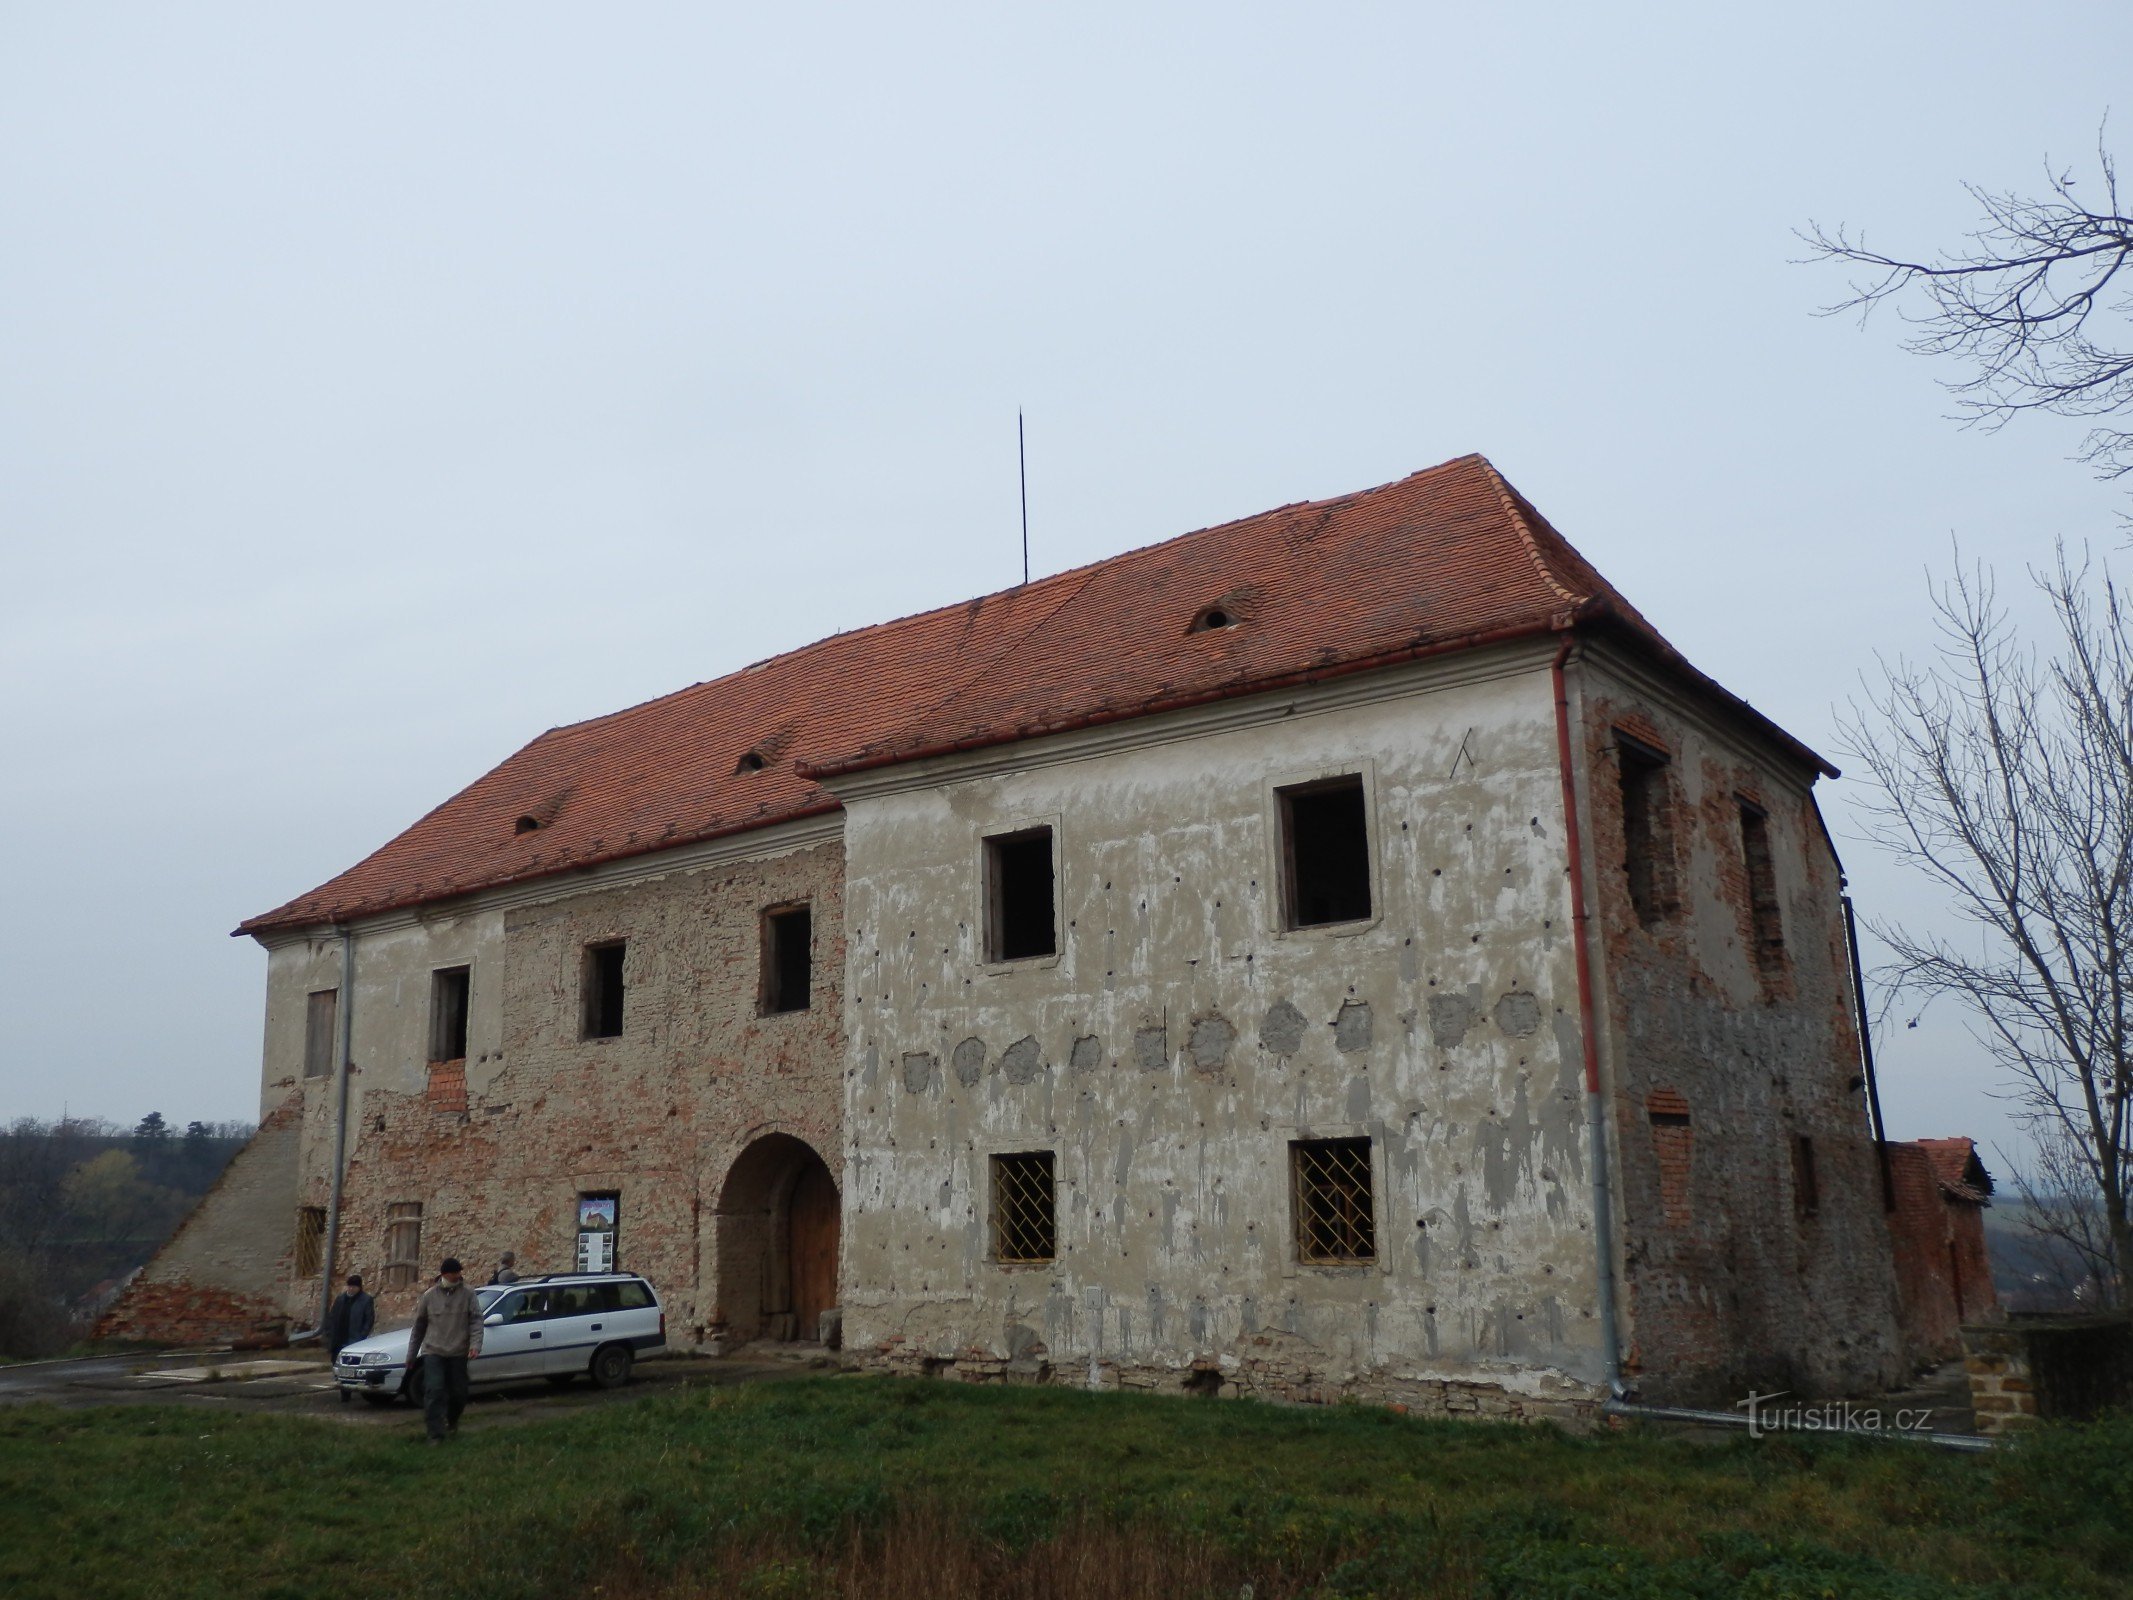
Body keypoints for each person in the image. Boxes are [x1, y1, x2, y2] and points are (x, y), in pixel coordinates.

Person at [405, 1257, 484, 1442]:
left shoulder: (468, 1294)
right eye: (454, 1273)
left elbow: (476, 1321)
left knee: (459, 1393)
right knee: (434, 1391)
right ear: (445, 1274)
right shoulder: (429, 1296)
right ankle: (435, 1434)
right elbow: (419, 1327)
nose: (458, 1275)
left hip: (458, 1351)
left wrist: (475, 1345)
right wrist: (411, 1354)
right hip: (433, 1351)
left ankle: (451, 1421)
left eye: (459, 1272)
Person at [321, 1274, 374, 1405]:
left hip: (354, 1338)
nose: (351, 1289)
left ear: (359, 1287)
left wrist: (362, 1335)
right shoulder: (340, 1299)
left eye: (354, 1287)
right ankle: (344, 1389)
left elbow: (369, 1319)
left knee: (351, 1365)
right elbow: (332, 1317)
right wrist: (329, 1333)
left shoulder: (366, 1300)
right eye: (349, 1286)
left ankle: (348, 1391)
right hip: (338, 1337)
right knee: (337, 1363)